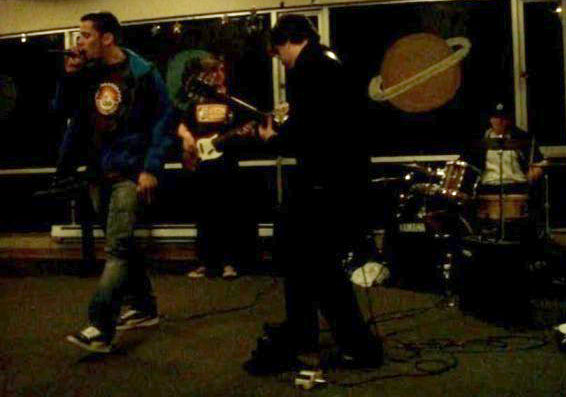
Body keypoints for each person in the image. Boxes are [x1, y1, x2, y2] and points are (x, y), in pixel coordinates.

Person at [244, 14, 384, 374]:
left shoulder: (307, 68)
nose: (280, 59)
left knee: (319, 266)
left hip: (324, 182)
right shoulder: (331, 60)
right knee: (297, 254)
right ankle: (301, 330)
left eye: (279, 52)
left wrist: (273, 138)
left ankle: (359, 347)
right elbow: (329, 121)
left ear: (291, 40)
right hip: (340, 178)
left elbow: (310, 132)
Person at [53, 11, 174, 353]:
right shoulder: (87, 74)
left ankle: (100, 327)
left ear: (107, 38)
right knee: (122, 243)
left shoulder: (142, 73)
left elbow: (163, 123)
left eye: (86, 36)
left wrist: (151, 168)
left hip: (129, 173)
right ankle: (144, 307)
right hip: (97, 173)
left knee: (117, 248)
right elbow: (62, 112)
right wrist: (69, 77)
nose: (79, 43)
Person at [174, 52, 258, 279]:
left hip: (225, 162)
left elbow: (247, 126)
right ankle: (205, 261)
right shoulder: (196, 102)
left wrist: (243, 133)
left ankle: (230, 263)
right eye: (212, 72)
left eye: (220, 71)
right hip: (201, 164)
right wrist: (187, 137)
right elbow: (181, 125)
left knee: (228, 214)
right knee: (204, 214)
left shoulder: (232, 101)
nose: (218, 76)